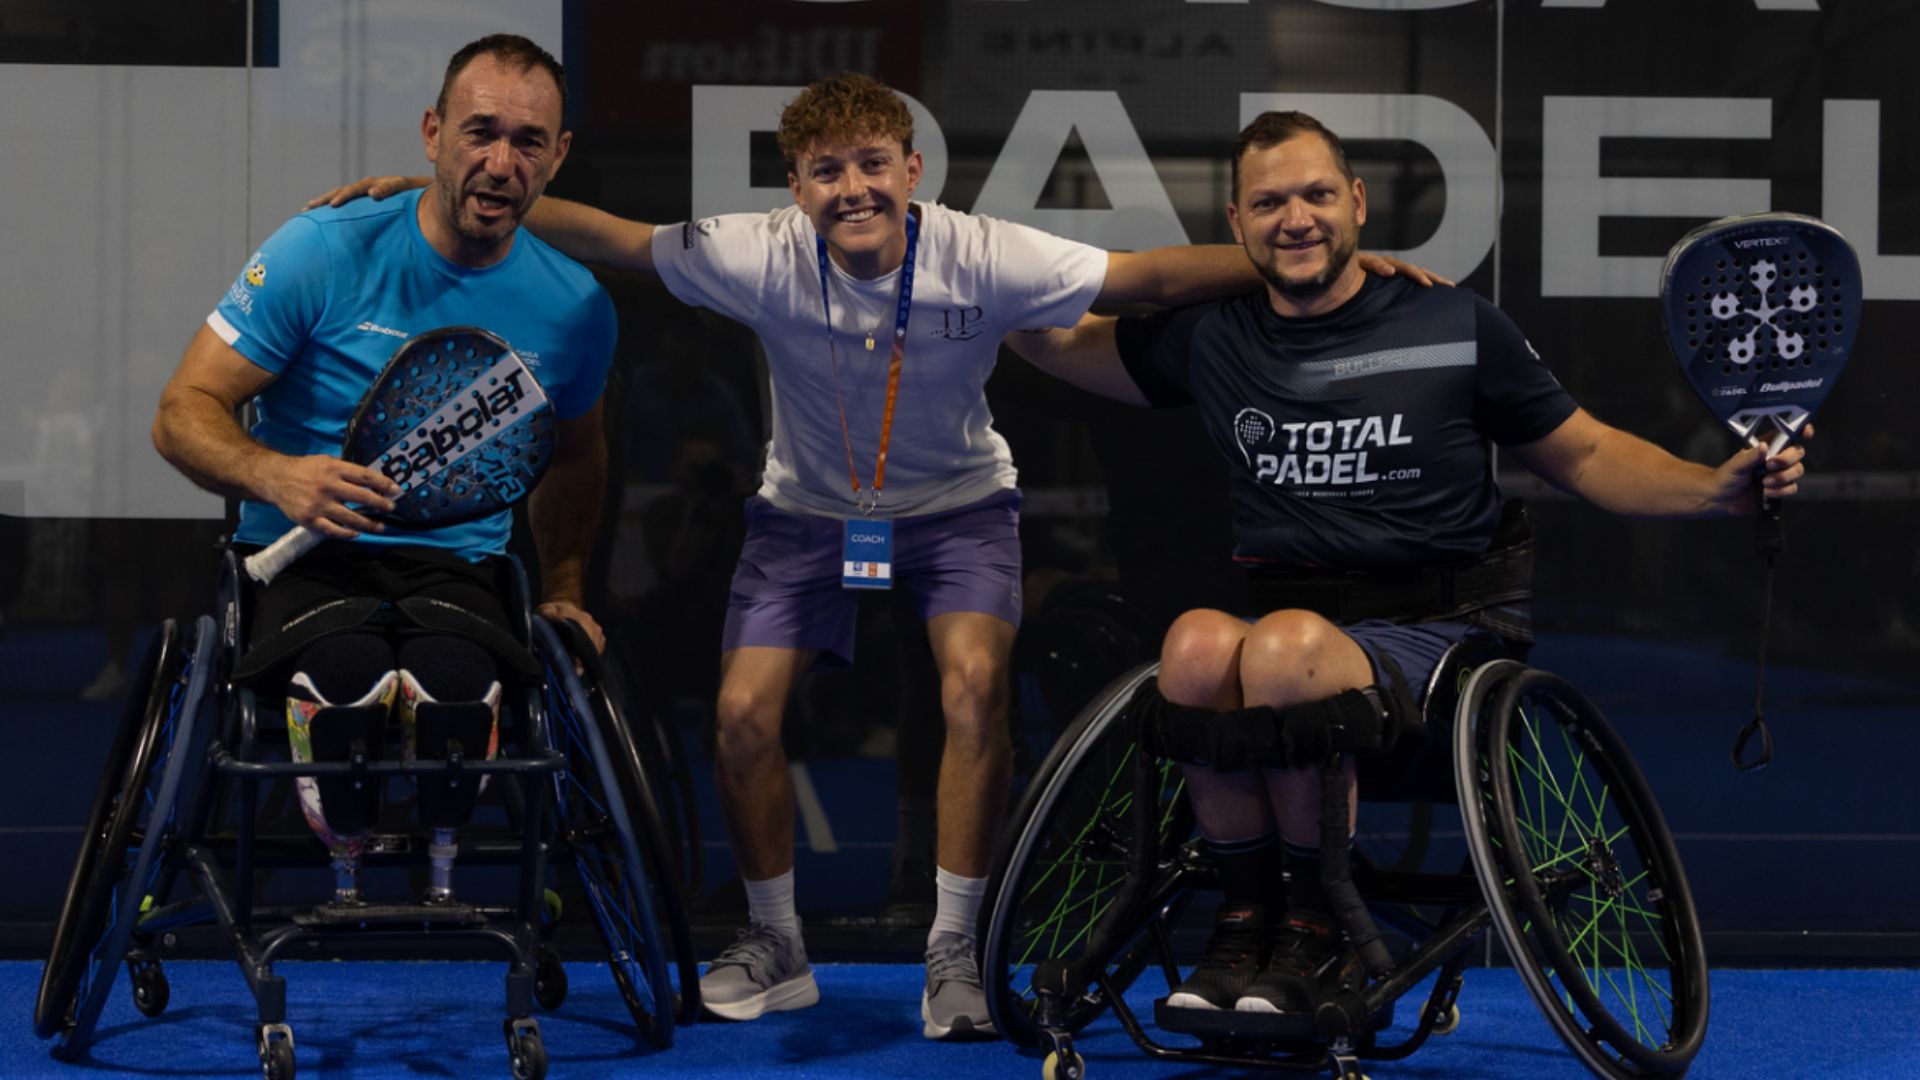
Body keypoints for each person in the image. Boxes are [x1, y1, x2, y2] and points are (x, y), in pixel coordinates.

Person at [310, 73, 1435, 1037]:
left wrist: (1305, 258)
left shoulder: (984, 252)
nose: (851, 188)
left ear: (911, 167)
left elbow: (1141, 280)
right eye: (824, 171)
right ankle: (775, 946)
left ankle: (953, 951)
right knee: (745, 715)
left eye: (870, 165)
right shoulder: (752, 253)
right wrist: (430, 196)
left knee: (976, 688)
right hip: (804, 514)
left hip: (958, 509)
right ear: (795, 189)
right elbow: (610, 239)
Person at [1004, 109, 1809, 1017]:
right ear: (1235, 226)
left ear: (1357, 203)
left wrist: (1713, 489)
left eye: (1315, 195)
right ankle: (1245, 919)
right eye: (1268, 203)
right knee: (1192, 645)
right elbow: (1049, 339)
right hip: (1293, 626)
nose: (1295, 218)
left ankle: (1314, 927)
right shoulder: (1212, 337)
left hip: (1441, 636)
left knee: (1277, 651)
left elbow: (1583, 453)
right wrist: (982, 281)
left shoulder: (1455, 322)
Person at [151, 35, 615, 909]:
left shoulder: (577, 307)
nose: (500, 161)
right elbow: (182, 412)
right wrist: (279, 474)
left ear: (558, 158)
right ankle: (342, 854)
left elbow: (578, 454)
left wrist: (564, 585)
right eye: (480, 133)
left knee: (455, 680)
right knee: (346, 671)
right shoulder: (322, 250)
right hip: (305, 555)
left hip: (460, 570)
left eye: (526, 141)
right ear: (433, 132)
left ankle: (445, 868)